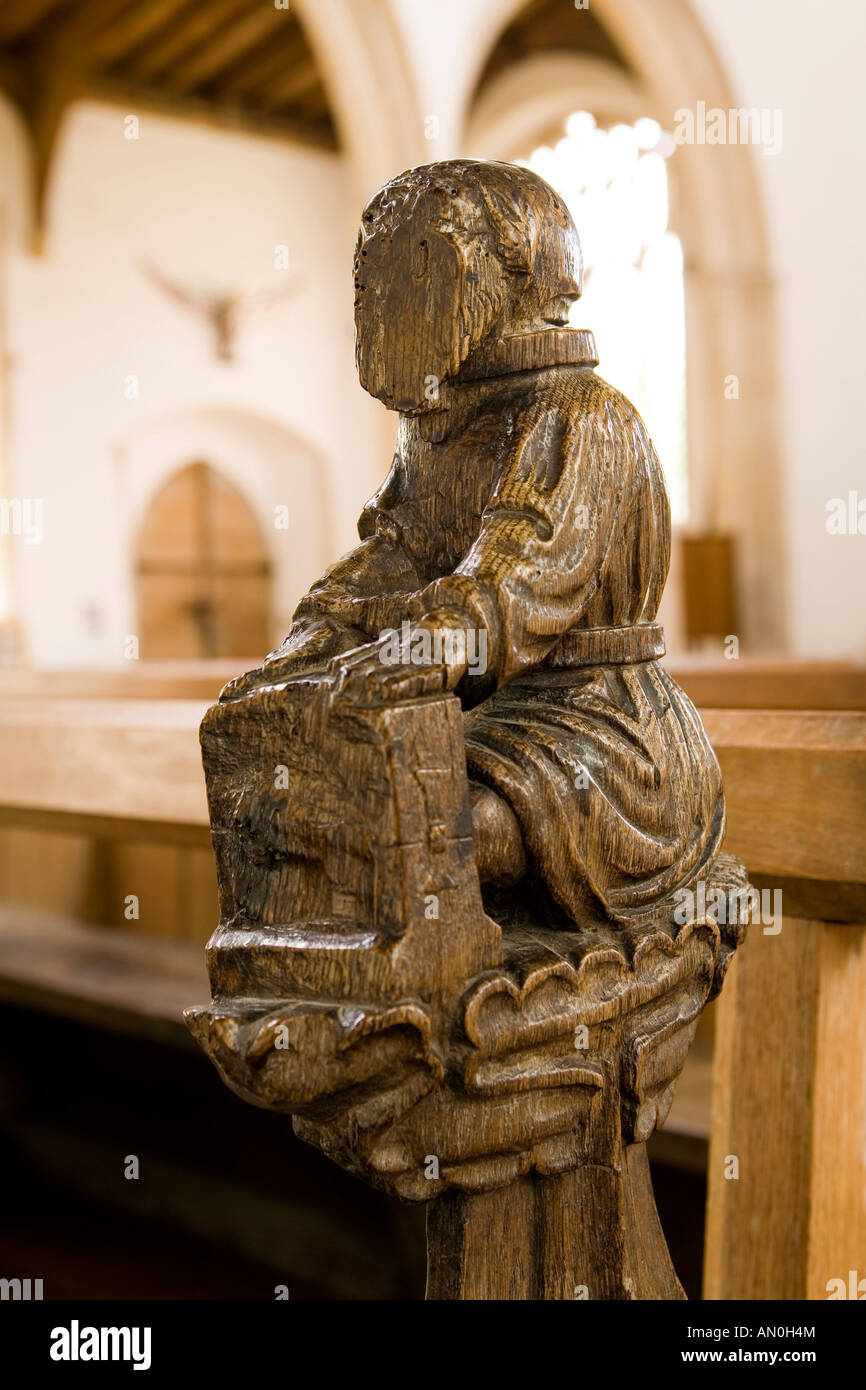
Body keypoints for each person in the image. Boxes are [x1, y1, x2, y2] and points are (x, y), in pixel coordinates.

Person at [222, 159, 724, 928]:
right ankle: (329, 971)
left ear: (487, 279)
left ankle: (434, 984)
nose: (369, 297)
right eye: (367, 274)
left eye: (400, 267)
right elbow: (387, 561)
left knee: (424, 817)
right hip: (481, 717)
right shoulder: (436, 429)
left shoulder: (580, 413)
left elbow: (510, 589)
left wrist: (401, 658)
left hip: (596, 737)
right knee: (292, 775)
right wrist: (308, 650)